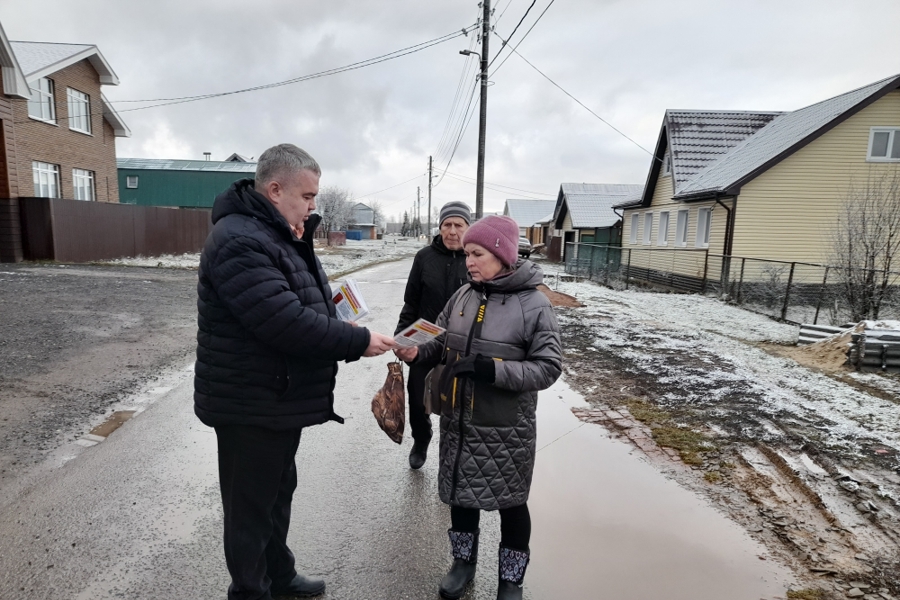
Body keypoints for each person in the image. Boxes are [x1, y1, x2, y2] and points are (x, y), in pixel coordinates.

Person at [194, 143, 396, 600]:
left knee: (278, 493)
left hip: (276, 396)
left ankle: (279, 576)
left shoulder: (279, 234)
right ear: (274, 188)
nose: (312, 206)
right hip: (250, 401)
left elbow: (304, 301)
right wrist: (358, 341)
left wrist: (337, 312)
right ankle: (251, 591)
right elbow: (283, 321)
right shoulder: (240, 240)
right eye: (307, 197)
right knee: (250, 511)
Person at [394, 215, 562, 600]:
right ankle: (463, 564)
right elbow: (438, 339)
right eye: (467, 253)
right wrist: (418, 350)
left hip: (505, 427)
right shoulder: (464, 295)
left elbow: (548, 367)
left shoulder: (535, 305)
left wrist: (494, 370)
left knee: (512, 505)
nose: (469, 260)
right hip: (459, 420)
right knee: (461, 496)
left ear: (501, 253)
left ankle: (510, 580)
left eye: (477, 253)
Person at [394, 201, 471, 469]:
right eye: (447, 225)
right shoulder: (424, 257)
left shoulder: (475, 258)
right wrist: (401, 337)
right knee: (418, 399)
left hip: (461, 345)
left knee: (458, 403)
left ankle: (453, 451)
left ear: (468, 228)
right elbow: (411, 303)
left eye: (458, 225)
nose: (452, 231)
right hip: (424, 341)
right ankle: (421, 440)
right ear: (439, 227)